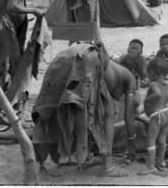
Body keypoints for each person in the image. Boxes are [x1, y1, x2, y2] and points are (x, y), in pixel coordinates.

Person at [31, 42, 137, 177]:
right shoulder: (131, 80)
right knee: (109, 113)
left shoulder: (114, 69)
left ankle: (75, 157)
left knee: (57, 107)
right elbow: (129, 115)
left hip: (65, 56)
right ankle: (107, 167)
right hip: (88, 60)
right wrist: (132, 144)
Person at [139, 58, 168, 176]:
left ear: (153, 73)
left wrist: (146, 100)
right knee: (162, 139)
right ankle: (161, 162)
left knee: (151, 140)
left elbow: (157, 94)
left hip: (157, 115)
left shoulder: (154, 84)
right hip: (166, 113)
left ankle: (150, 166)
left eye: (148, 73)